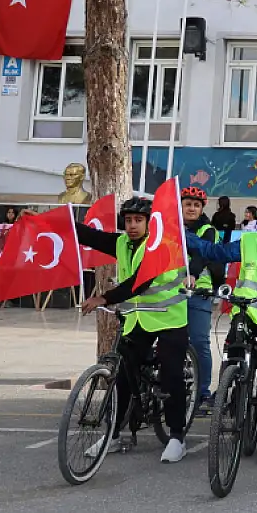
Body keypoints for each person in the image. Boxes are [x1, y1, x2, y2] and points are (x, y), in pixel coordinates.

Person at [183, 195, 257, 470]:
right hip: (246, 310)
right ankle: (232, 384)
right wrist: (184, 238)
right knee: (234, 348)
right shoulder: (248, 241)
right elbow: (215, 252)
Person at [75, 194, 192, 463]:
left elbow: (138, 284)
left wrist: (102, 298)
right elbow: (88, 236)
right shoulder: (121, 243)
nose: (132, 225)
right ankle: (113, 436)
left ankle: (177, 438)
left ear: (151, 223)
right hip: (137, 320)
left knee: (171, 374)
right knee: (123, 379)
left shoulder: (164, 246)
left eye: (139, 220)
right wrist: (48, 223)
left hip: (169, 319)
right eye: (128, 220)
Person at [181, 186, 224, 415]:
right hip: (171, 292)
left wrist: (194, 275)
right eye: (188, 204)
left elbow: (203, 255)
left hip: (199, 293)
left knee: (199, 343)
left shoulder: (208, 230)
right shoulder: (171, 228)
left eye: (196, 205)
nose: (192, 208)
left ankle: (203, 392)